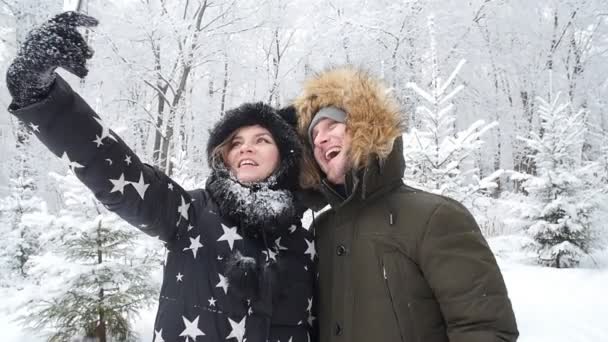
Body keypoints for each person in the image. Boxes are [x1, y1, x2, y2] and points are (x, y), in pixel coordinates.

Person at [6, 12, 316, 342]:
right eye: (235, 142)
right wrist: (38, 93)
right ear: (223, 156)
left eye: (262, 140)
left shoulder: (306, 242)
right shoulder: (191, 212)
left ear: (284, 156)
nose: (246, 149)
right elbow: (113, 168)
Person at [292, 66, 519, 342]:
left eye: (332, 125)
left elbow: (485, 329)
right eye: (314, 135)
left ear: (365, 127)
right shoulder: (320, 230)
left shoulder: (436, 217)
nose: (321, 138)